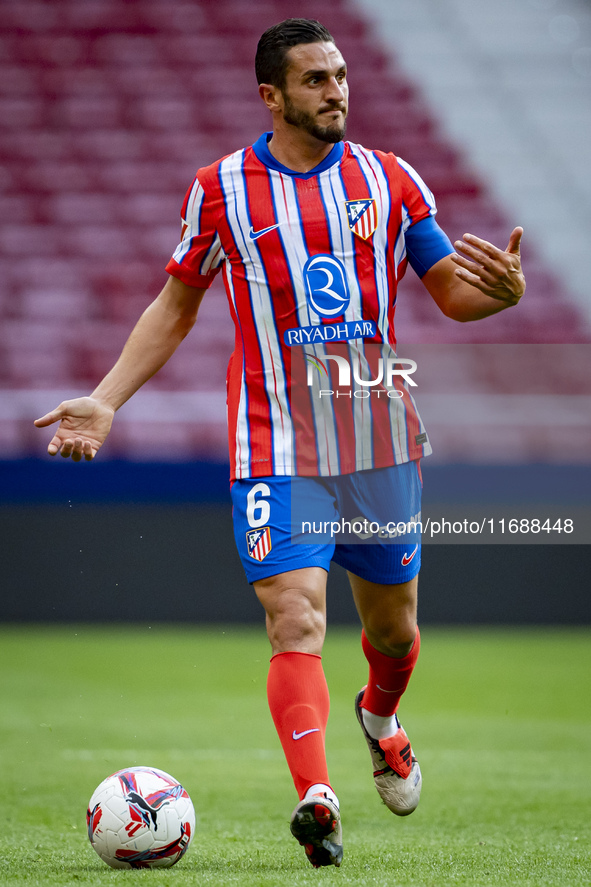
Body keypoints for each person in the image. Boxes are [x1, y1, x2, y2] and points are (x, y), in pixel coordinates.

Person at [35, 19, 525, 869]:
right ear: (272, 95)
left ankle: (379, 718)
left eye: (339, 75)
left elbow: (450, 292)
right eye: (315, 80)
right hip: (274, 442)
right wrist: (107, 399)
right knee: (293, 616)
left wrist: (502, 298)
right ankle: (316, 796)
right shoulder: (220, 187)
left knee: (397, 632)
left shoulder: (390, 178)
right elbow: (175, 305)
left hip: (375, 439)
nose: (336, 90)